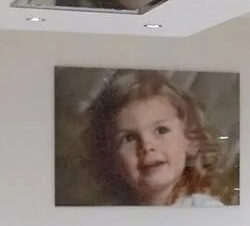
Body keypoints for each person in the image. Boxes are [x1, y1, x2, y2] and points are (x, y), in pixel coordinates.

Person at [82, 70, 233, 206]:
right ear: (110, 159)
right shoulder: (114, 217)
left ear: (191, 140)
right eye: (129, 138)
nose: (146, 146)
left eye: (161, 130)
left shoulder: (204, 210)